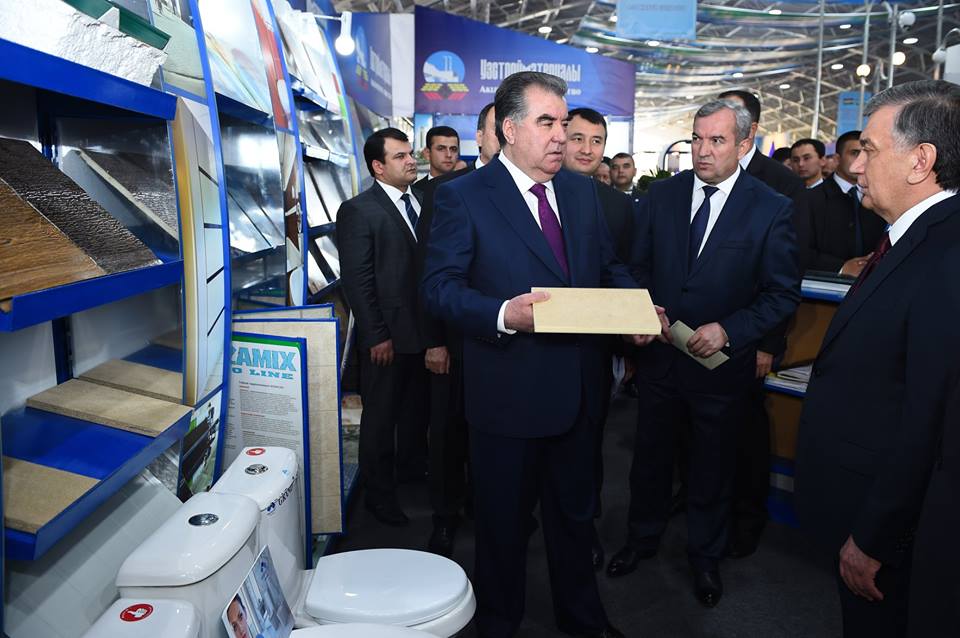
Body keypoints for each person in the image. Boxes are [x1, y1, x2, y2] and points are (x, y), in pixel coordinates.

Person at [422, 71, 661, 638]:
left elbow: (606, 267)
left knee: (575, 520)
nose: (562, 136)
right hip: (507, 396)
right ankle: (499, 623)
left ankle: (583, 619)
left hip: (578, 393)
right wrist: (505, 313)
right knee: (503, 528)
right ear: (509, 129)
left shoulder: (580, 193)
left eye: (565, 123)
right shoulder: (463, 196)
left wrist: (635, 309)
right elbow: (438, 287)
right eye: (547, 123)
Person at [608, 99, 801, 608]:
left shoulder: (770, 207)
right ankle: (641, 540)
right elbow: (635, 267)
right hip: (660, 360)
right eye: (696, 138)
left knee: (712, 468)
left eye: (717, 140)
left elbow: (781, 293)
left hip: (720, 369)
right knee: (649, 460)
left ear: (744, 144)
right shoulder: (660, 196)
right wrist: (643, 311)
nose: (702, 150)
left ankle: (705, 557)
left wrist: (731, 330)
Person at [795, 80, 960, 638]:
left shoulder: (946, 254)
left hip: (888, 525)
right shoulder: (911, 238)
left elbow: (928, 418)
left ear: (921, 160)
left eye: (868, 149)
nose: (856, 165)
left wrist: (875, 537)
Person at [717, 89, 806, 558]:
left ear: (748, 131)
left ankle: (747, 517)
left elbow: (786, 274)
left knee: (746, 430)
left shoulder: (781, 183)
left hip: (751, 336)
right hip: (695, 336)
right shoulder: (698, 174)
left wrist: (768, 343)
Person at [414, 102, 500, 558]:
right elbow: (428, 273)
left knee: (495, 436)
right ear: (481, 136)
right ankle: (444, 517)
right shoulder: (445, 191)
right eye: (498, 128)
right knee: (447, 433)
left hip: (506, 343)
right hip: (453, 340)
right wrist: (433, 341)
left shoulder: (535, 191)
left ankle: (491, 510)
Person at [337, 128, 428, 527]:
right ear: (378, 166)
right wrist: (377, 335)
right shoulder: (359, 210)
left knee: (414, 413)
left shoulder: (422, 200)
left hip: (423, 334)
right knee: (380, 420)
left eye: (410, 154)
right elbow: (357, 281)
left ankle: (410, 475)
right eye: (400, 156)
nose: (411, 161)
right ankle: (379, 496)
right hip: (386, 338)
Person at [562, 106, 638, 571]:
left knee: (588, 444)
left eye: (597, 141)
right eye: (577, 138)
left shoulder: (617, 206)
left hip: (594, 348)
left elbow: (622, 270)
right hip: (530, 344)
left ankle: (583, 527)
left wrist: (631, 336)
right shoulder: (530, 194)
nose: (587, 149)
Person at [802, 129, 887, 275]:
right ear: (837, 159)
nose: (862, 160)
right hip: (822, 285)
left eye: (867, 153)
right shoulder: (809, 199)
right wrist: (841, 267)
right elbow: (798, 249)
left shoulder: (881, 198)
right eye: (854, 153)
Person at [414, 125, 460, 193]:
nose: (449, 155)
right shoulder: (416, 191)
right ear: (427, 153)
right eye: (441, 149)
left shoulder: (468, 186)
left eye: (453, 149)